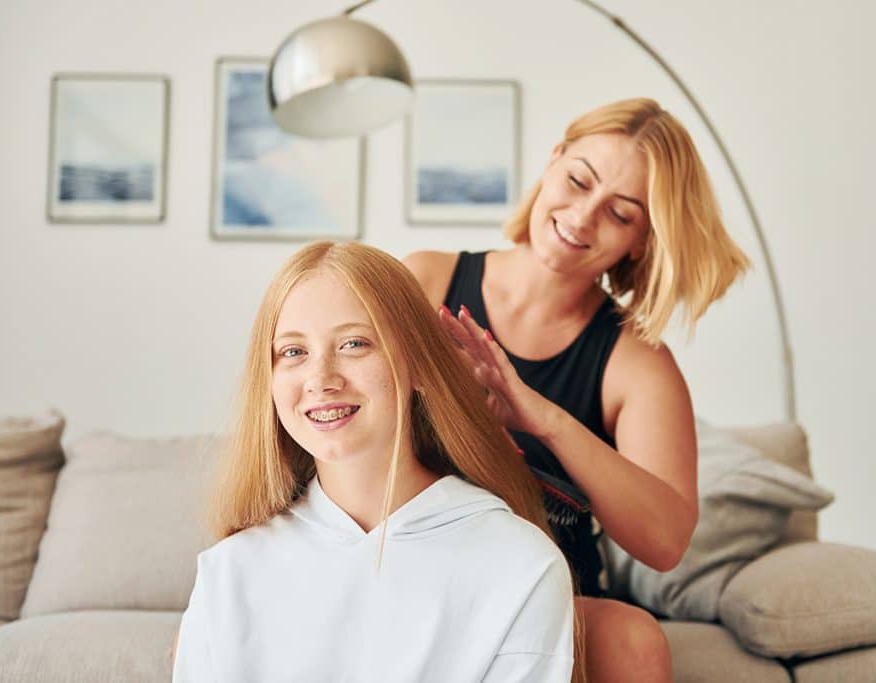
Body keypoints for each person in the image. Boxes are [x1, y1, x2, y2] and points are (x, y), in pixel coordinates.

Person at [404, 97, 750, 683]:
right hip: (415, 570)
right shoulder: (425, 280)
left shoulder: (637, 363)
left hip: (544, 594)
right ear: (552, 161)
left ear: (642, 240)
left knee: (636, 642)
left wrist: (544, 419)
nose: (583, 217)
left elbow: (666, 541)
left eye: (620, 214)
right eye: (578, 180)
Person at [172, 241, 585, 682]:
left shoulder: (521, 565)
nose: (321, 378)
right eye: (293, 352)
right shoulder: (229, 571)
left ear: (420, 367)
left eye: (354, 344)